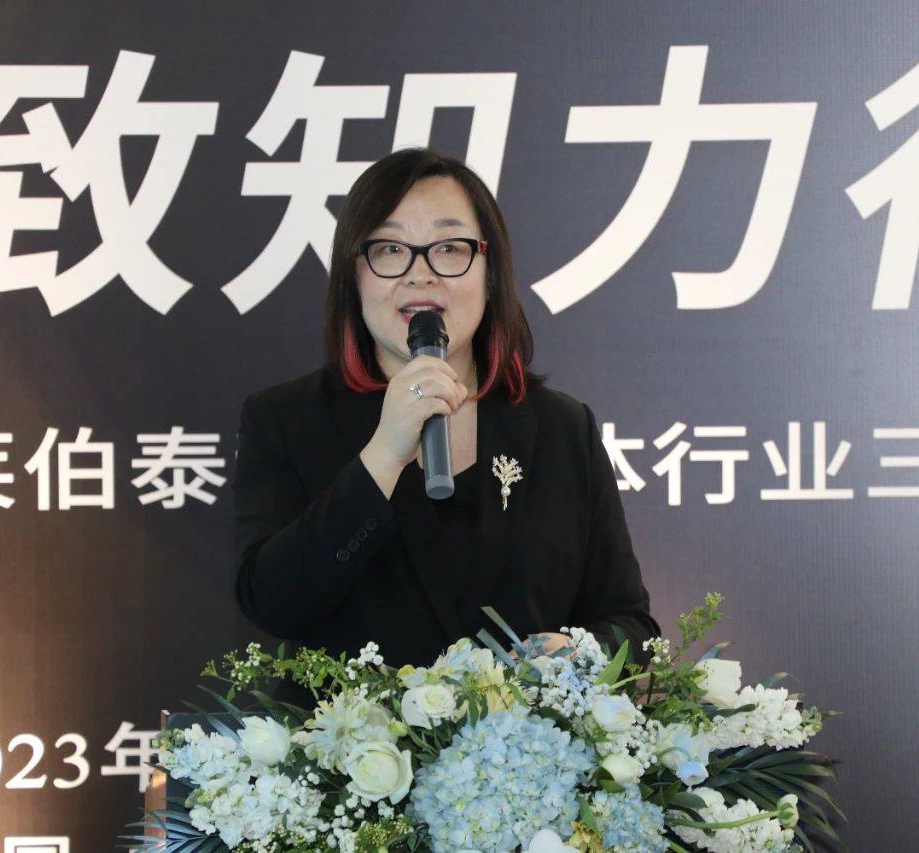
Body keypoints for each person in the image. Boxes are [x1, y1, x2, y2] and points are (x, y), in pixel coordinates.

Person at [233, 147, 658, 671]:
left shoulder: (563, 429)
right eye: (390, 249)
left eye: (450, 248)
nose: (421, 275)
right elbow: (271, 602)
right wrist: (384, 455)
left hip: (526, 726)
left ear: (490, 272)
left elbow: (630, 625)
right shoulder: (285, 420)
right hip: (347, 728)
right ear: (353, 275)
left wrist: (576, 654)